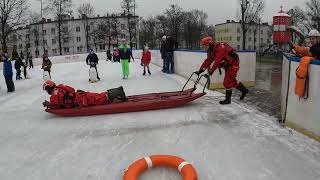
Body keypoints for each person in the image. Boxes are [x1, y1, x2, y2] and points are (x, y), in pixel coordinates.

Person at [195, 36, 249, 105]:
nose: (204, 47)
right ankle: (244, 90)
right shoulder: (211, 50)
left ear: (209, 43)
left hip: (234, 63)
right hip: (228, 64)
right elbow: (208, 61)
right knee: (231, 80)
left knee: (227, 82)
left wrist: (210, 72)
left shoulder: (220, 48)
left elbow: (217, 62)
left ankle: (228, 100)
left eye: (205, 45)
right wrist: (200, 71)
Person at [42, 80, 127, 109]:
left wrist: (48, 104)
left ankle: (118, 91)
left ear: (49, 88)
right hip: (80, 95)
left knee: (100, 98)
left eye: (47, 90)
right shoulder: (60, 87)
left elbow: (55, 105)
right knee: (99, 96)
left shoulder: (54, 93)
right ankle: (117, 91)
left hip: (80, 100)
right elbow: (71, 89)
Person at [292, 29, 320, 98]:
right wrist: (297, 49)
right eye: (310, 39)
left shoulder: (315, 48)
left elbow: (317, 51)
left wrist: (308, 49)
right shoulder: (313, 47)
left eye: (313, 39)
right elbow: (310, 52)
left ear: (318, 38)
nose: (311, 40)